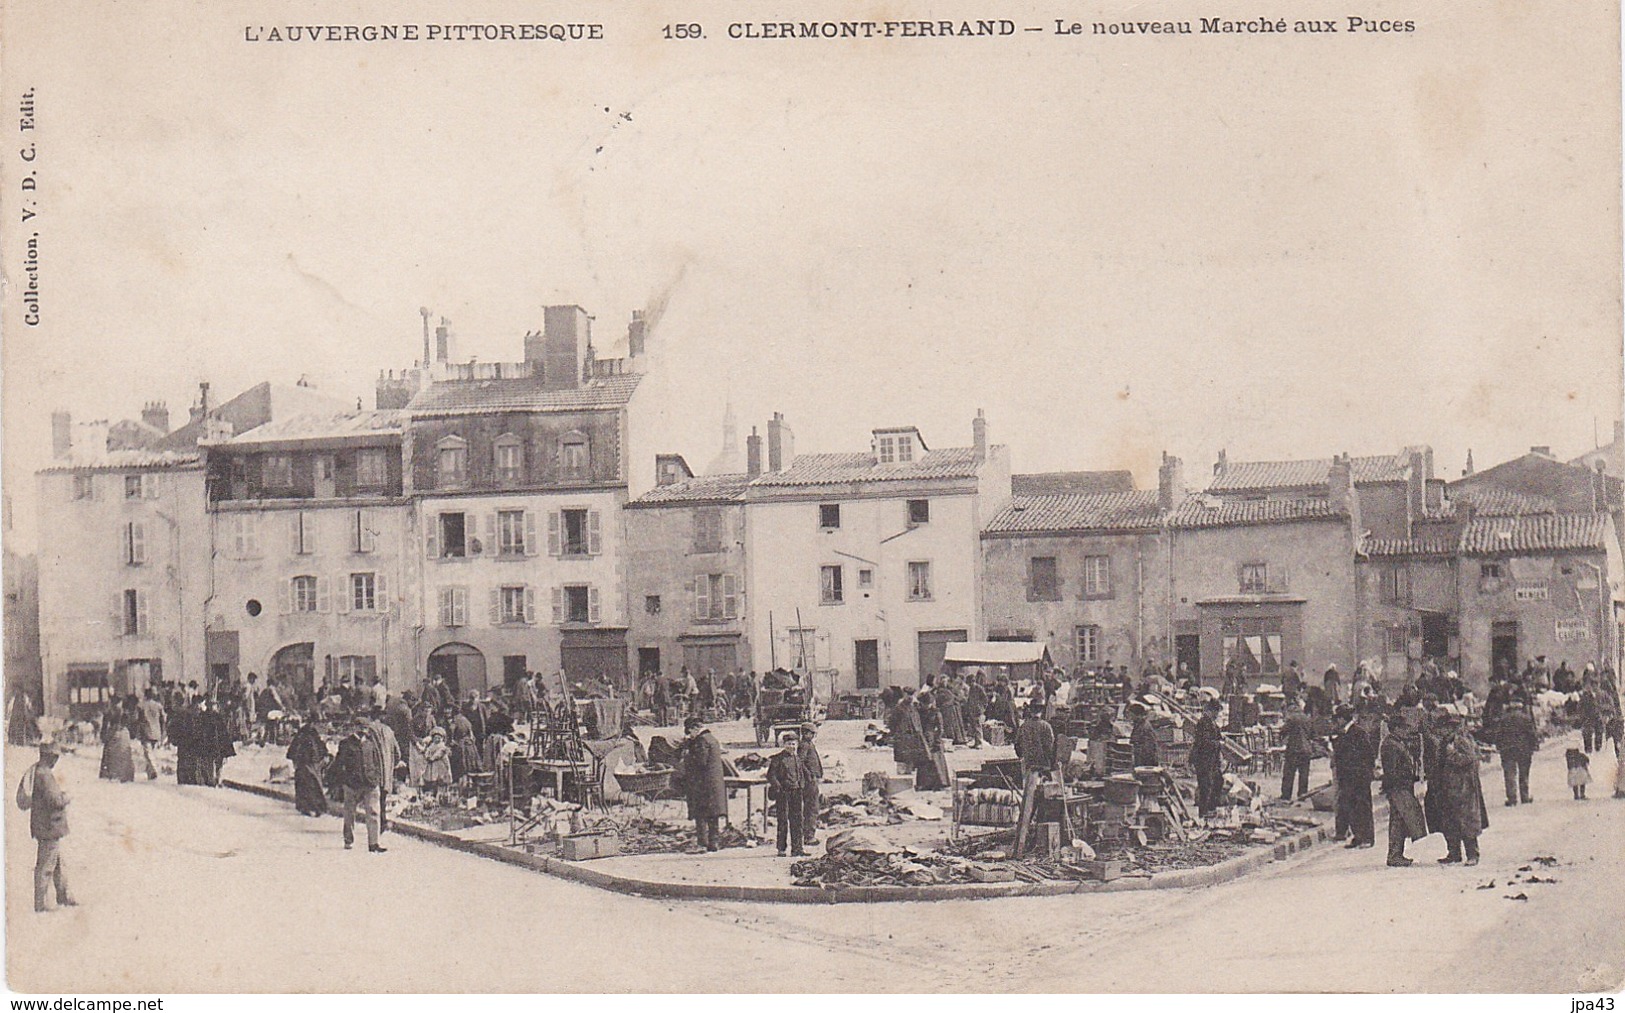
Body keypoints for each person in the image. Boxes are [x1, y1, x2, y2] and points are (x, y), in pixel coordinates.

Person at [26, 740, 76, 912]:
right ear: (50, 757)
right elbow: (55, 801)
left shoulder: (39, 772)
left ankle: (63, 896)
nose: (56, 761)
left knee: (57, 864)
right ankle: (41, 904)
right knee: (46, 866)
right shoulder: (45, 775)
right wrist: (66, 797)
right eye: (55, 757)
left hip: (46, 826)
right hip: (49, 827)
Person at [1433, 713, 1488, 865]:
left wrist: (1452, 754)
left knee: (1466, 821)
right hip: (1447, 787)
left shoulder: (1461, 740)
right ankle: (1454, 853)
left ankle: (1472, 855)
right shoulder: (1445, 741)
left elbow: (1469, 759)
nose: (1440, 731)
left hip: (1463, 787)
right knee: (1450, 821)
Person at [332, 717, 386, 852]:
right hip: (352, 784)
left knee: (374, 812)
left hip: (371, 782)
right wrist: (345, 781)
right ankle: (348, 840)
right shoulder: (346, 744)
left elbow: (377, 762)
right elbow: (339, 764)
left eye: (365, 728)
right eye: (360, 727)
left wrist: (377, 777)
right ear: (354, 728)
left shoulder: (371, 743)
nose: (363, 730)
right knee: (350, 812)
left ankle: (374, 843)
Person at [1380, 712, 1426, 867]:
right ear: (1397, 728)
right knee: (1399, 821)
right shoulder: (1391, 745)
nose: (1406, 731)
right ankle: (1394, 855)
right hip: (1398, 787)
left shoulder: (1396, 742)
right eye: (1404, 728)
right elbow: (1392, 770)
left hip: (1402, 786)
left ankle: (1396, 854)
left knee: (1399, 821)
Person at [680, 717, 728, 852]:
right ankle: (714, 843)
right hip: (713, 783)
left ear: (694, 729)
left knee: (700, 813)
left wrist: (687, 757)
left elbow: (700, 762)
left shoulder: (701, 741)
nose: (690, 736)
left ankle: (702, 843)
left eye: (690, 733)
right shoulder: (712, 738)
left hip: (702, 784)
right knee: (713, 814)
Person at [1332, 705, 1376, 848]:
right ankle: (1358, 836)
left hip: (1359, 777)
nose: (1336, 722)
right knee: (1351, 807)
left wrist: (1365, 774)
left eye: (1337, 719)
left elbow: (1368, 755)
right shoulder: (1344, 733)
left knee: (1362, 807)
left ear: (1342, 719)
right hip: (1347, 777)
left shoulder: (1358, 732)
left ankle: (1367, 838)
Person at [766, 732, 807, 857]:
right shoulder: (778, 759)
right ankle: (781, 849)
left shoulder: (798, 758)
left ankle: (797, 849)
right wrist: (778, 788)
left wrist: (802, 785)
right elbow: (771, 776)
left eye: (794, 744)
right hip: (783, 793)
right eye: (789, 744)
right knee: (783, 820)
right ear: (784, 745)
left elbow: (801, 774)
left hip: (796, 792)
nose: (792, 747)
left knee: (798, 820)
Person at [1495, 698, 1538, 805]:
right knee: (1524, 774)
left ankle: (1512, 798)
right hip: (1524, 749)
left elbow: (1498, 734)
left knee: (1509, 774)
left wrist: (1499, 746)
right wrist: (1534, 746)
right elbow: (1531, 734)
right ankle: (1525, 796)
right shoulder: (1526, 718)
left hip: (1507, 750)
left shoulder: (1504, 719)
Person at [286, 720, 331, 817]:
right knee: (310, 784)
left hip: (310, 763)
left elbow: (319, 747)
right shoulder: (306, 734)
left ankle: (313, 807)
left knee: (311, 784)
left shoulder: (308, 734)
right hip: (306, 763)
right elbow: (296, 748)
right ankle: (312, 807)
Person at [1191, 699, 1225, 818]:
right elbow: (1205, 742)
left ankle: (1211, 809)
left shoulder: (1212, 722)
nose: (1217, 715)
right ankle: (1204, 813)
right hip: (1204, 760)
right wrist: (1218, 744)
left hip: (1212, 760)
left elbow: (1217, 736)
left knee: (1218, 781)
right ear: (1211, 711)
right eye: (1216, 712)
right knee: (1205, 787)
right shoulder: (1204, 722)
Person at [1280, 699, 1313, 801]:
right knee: (1304, 774)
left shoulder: (1291, 718)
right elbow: (1312, 733)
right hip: (1306, 749)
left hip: (1294, 749)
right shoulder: (1307, 718)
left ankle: (1286, 795)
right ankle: (1302, 794)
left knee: (1289, 773)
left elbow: (1283, 731)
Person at [1014, 703, 1056, 782]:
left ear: (1031, 712)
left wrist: (1021, 755)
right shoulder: (1046, 726)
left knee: (1029, 784)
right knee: (1044, 783)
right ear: (1041, 712)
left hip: (1028, 760)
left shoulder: (1024, 726)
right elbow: (1051, 744)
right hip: (1043, 760)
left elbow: (1017, 743)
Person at [797, 722, 823, 849]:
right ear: (805, 733)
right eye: (811, 733)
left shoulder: (808, 744)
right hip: (809, 781)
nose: (813, 735)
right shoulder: (804, 745)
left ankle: (808, 834)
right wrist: (809, 776)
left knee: (811, 807)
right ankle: (809, 836)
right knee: (812, 807)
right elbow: (800, 763)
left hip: (811, 779)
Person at [98, 702, 135, 783]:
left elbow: (105, 726)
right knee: (124, 755)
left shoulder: (110, 712)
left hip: (113, 732)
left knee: (110, 754)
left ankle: (110, 774)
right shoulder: (126, 713)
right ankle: (125, 775)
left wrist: (103, 736)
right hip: (124, 734)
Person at [1128, 703, 1159, 768]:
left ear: (1137, 715)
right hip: (1140, 757)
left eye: (1131, 715)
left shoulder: (1145, 726)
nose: (1130, 717)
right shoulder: (1138, 724)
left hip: (1145, 760)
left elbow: (1149, 746)